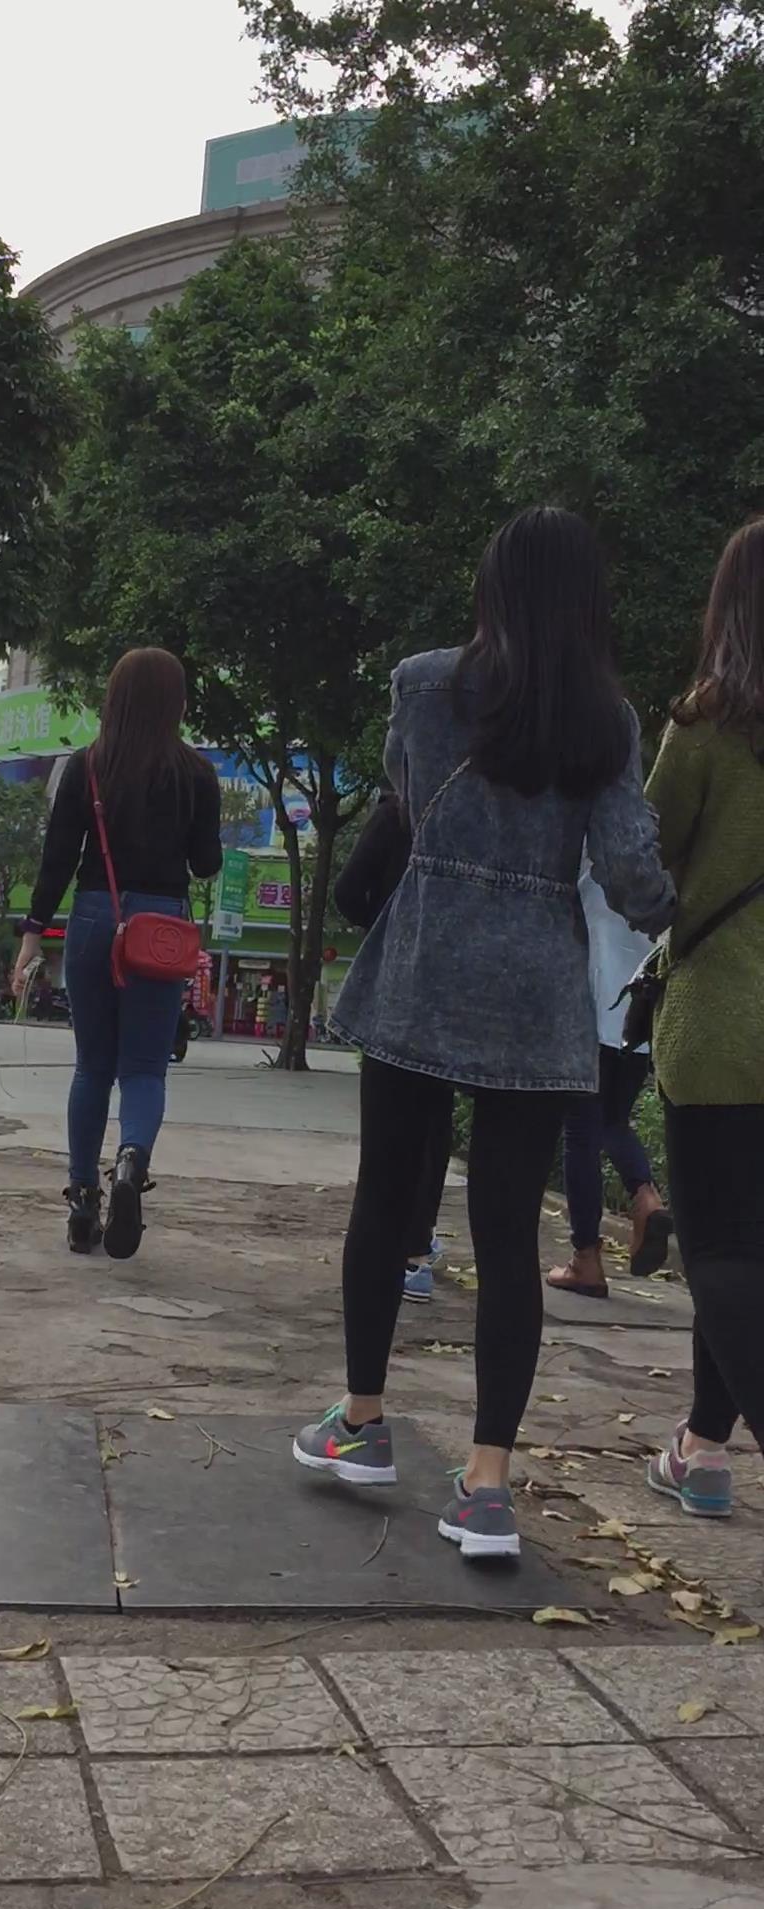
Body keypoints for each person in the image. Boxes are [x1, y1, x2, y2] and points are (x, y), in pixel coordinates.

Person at [293, 507, 675, 1561]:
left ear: (492, 587)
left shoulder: (423, 685)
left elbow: (407, 798)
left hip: (426, 962)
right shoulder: (608, 722)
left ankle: (362, 1423)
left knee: (385, 1197)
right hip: (535, 988)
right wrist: (673, 909)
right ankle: (488, 1487)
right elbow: (631, 871)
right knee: (508, 1236)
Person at [12, 649, 222, 1259]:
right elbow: (205, 863)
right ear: (175, 703)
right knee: (145, 1070)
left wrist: (32, 935)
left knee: (92, 1068)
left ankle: (83, 1204)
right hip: (160, 927)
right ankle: (131, 1162)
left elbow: (57, 858)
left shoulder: (88, 765)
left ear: (115, 699)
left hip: (95, 916)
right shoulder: (196, 773)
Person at [643, 518, 764, 1519]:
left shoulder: (707, 722)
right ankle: (701, 1449)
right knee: (747, 1256)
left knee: (720, 1254)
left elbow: (647, 853)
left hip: (724, 1022)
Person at [334, 788, 451, 1303]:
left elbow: (346, 891)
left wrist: (383, 924)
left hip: (395, 981)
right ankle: (417, 1252)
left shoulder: (395, 814)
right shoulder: (467, 805)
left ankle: (384, 1254)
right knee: (436, 1121)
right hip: (449, 983)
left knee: (387, 1128)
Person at [547, 859, 672, 1298]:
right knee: (614, 1121)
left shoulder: (590, 857)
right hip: (638, 1017)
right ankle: (646, 1195)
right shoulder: (658, 857)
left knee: (581, 1132)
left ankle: (585, 1258)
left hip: (592, 1011)